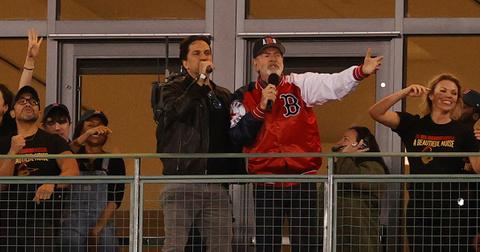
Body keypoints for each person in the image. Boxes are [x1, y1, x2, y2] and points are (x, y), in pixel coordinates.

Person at [229, 35, 383, 251]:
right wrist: (260, 108)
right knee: (266, 246)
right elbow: (238, 136)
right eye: (266, 54)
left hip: (302, 182)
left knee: (306, 245)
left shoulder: (300, 84)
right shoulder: (243, 95)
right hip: (266, 184)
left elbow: (333, 84)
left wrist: (359, 73)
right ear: (255, 63)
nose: (273, 58)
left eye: (277, 54)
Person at [368, 74, 480, 251]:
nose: (448, 95)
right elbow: (376, 112)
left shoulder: (464, 132)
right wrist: (405, 92)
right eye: (442, 90)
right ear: (431, 95)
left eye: (453, 93)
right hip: (419, 208)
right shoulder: (413, 124)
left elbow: (477, 168)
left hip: (453, 211)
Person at [155, 35, 241, 252]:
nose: (204, 57)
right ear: (185, 62)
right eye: (196, 53)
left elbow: (231, 133)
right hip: (182, 180)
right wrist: (199, 82)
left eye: (207, 53)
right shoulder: (171, 89)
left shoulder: (222, 94)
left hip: (216, 184)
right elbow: (174, 113)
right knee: (175, 245)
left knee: (221, 245)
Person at [0, 85, 79, 251]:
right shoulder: (4, 142)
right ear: (12, 112)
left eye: (33, 101)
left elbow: (72, 171)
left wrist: (53, 183)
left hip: (43, 221)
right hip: (7, 221)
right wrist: (12, 152)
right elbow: (2, 184)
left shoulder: (54, 141)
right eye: (22, 101)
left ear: (39, 111)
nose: (28, 103)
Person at [60, 110, 125, 252]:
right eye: (90, 125)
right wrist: (86, 135)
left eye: (100, 126)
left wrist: (97, 229)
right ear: (81, 129)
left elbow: (115, 199)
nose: (96, 130)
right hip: (72, 222)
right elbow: (63, 153)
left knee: (107, 241)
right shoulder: (71, 156)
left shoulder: (115, 161)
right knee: (70, 240)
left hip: (103, 220)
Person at [330, 126, 389, 252]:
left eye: (345, 139)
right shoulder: (339, 168)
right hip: (340, 237)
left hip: (361, 238)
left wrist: (344, 156)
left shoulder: (374, 168)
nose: (339, 143)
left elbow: (351, 177)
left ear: (362, 145)